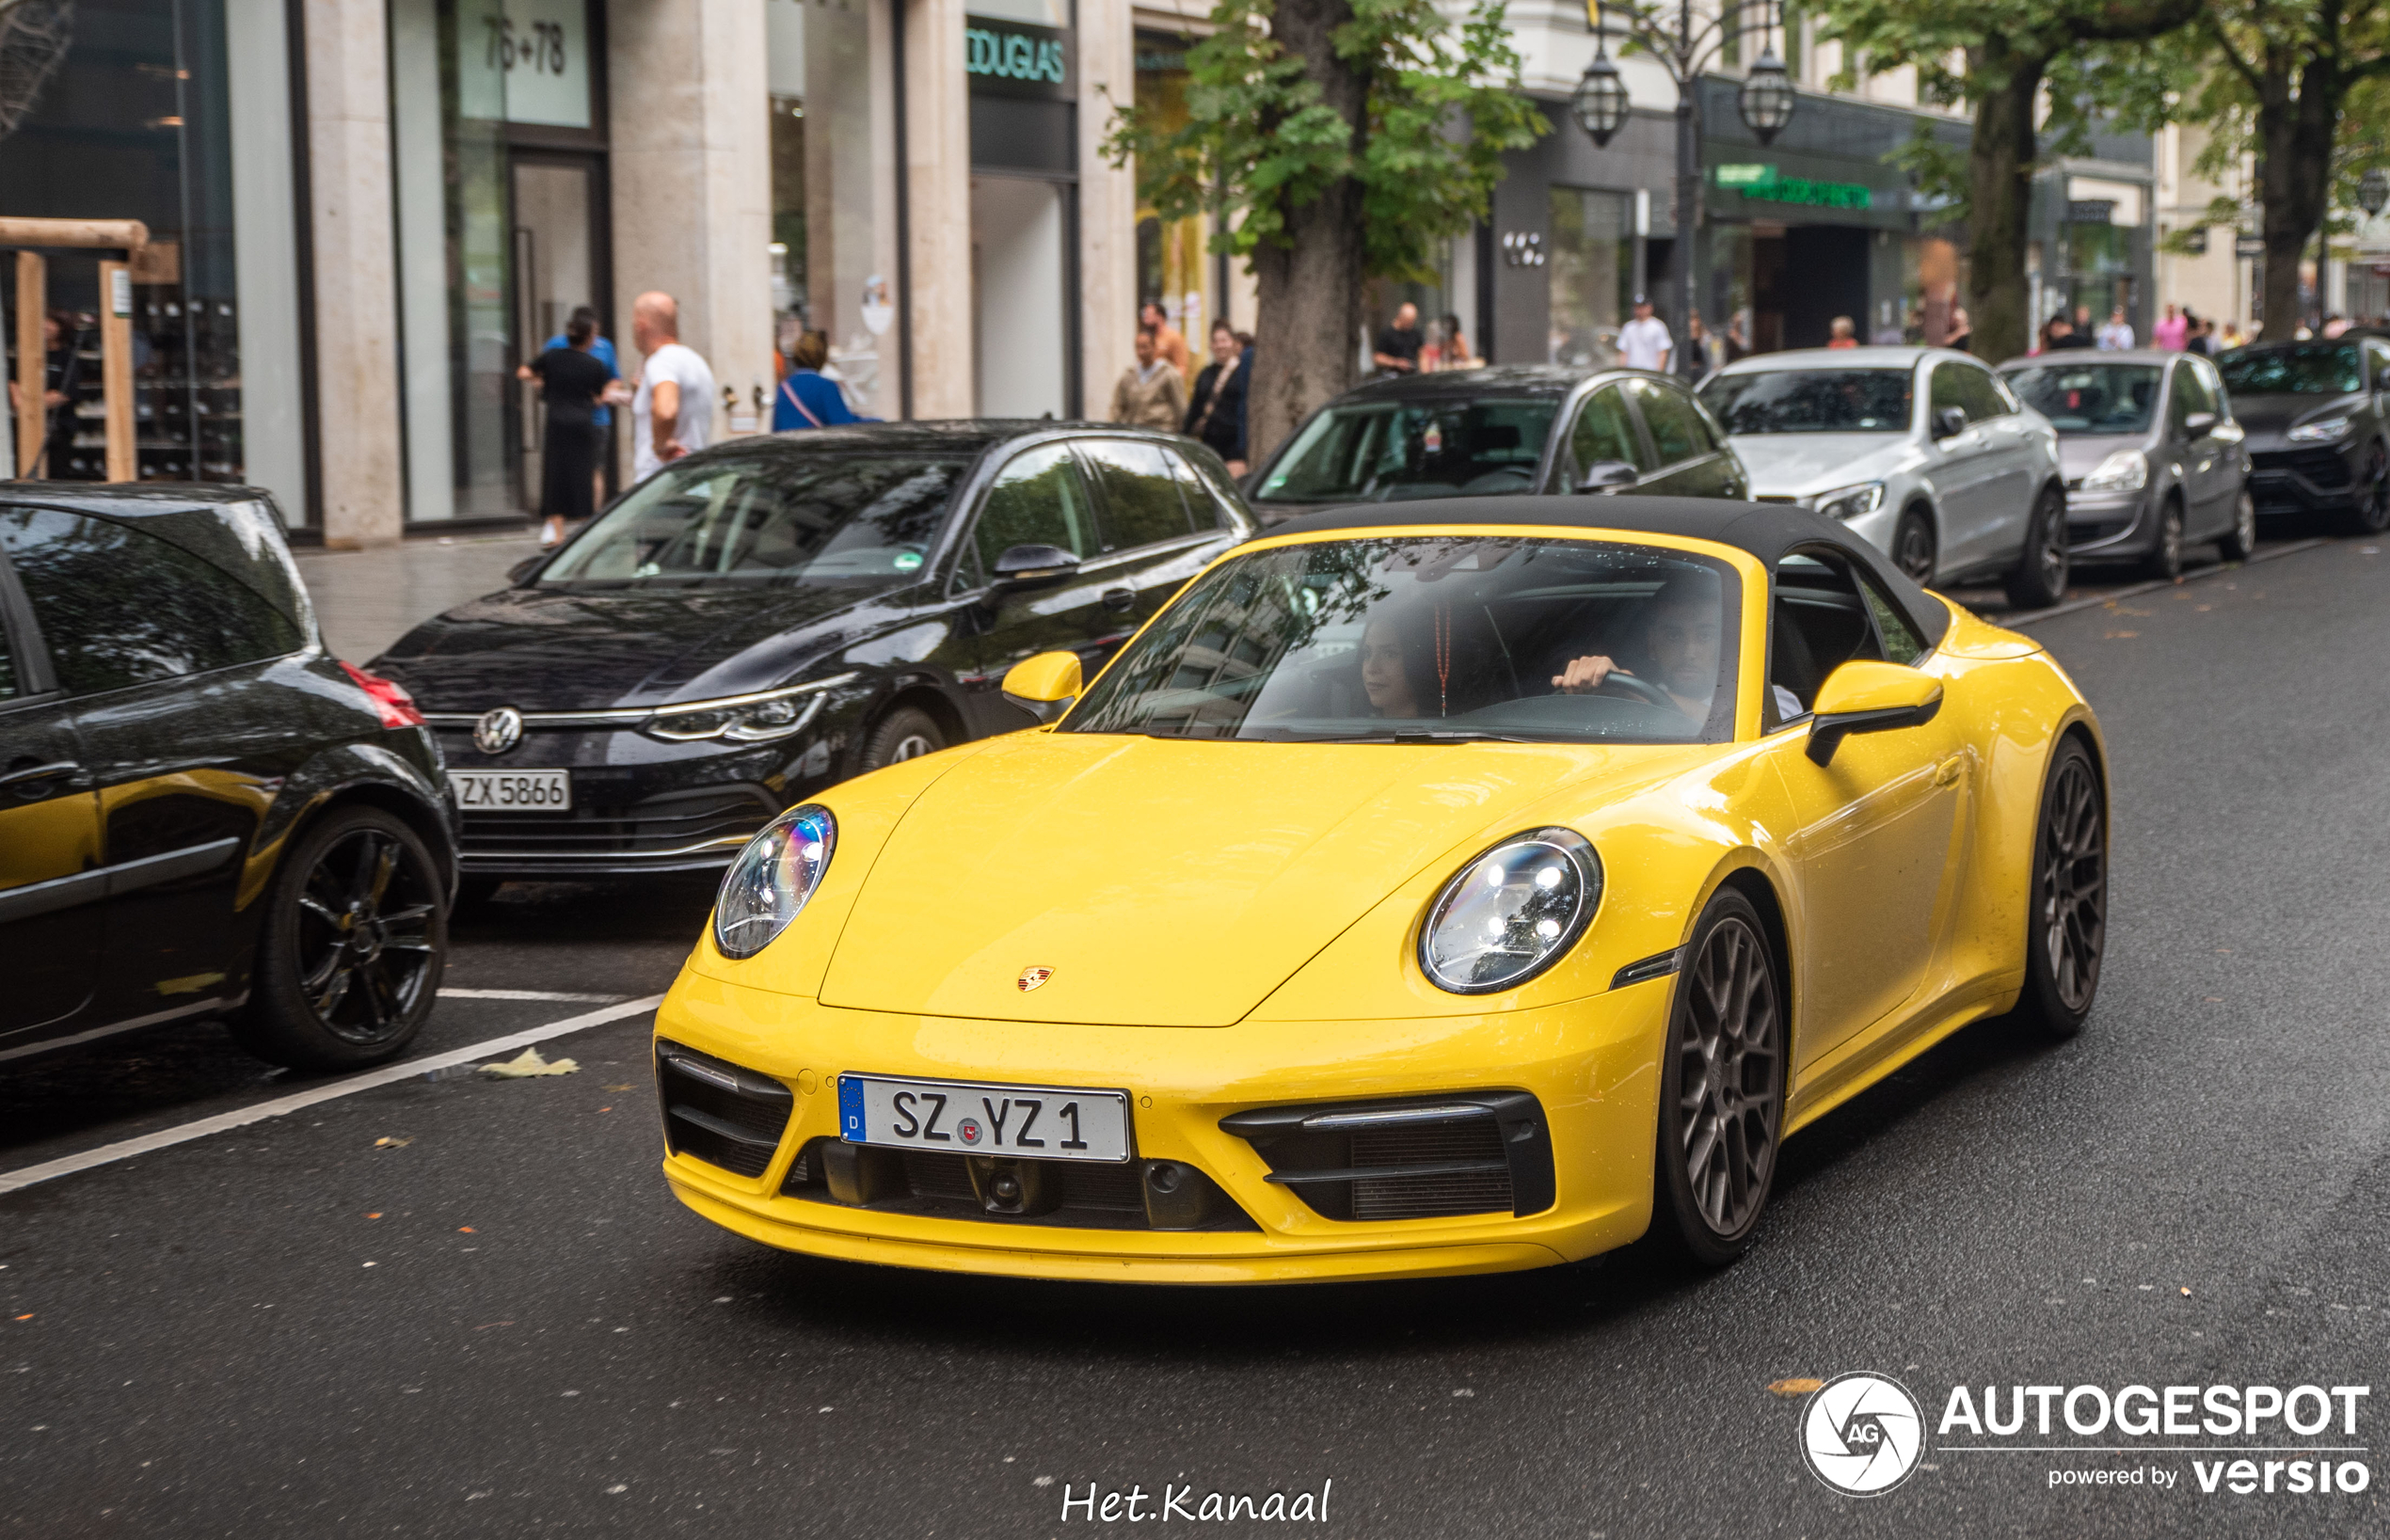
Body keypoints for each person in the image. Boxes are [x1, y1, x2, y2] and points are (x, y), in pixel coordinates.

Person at [519, 312, 613, 548]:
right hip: (582, 423)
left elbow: (524, 372)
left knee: (554, 475)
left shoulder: (552, 357)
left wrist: (543, 385)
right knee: (584, 473)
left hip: (556, 423)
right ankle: (585, 530)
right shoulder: (594, 364)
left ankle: (558, 533)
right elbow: (599, 396)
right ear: (589, 338)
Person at [629, 291, 715, 483]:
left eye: (634, 325)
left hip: (661, 485)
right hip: (694, 480)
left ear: (641, 326)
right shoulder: (695, 361)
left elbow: (666, 411)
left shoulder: (661, 361)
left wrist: (660, 446)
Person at [537, 306, 618, 511]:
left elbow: (615, 379)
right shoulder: (556, 347)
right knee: (560, 471)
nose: (594, 338)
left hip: (597, 420)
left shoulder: (605, 347)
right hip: (563, 419)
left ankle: (591, 520)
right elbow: (538, 374)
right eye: (592, 332)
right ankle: (558, 525)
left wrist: (603, 394)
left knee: (594, 470)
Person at [1184, 319, 1250, 474]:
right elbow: (1195, 409)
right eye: (1215, 341)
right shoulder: (1206, 374)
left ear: (1233, 343)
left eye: (1224, 340)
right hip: (1209, 446)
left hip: (1234, 447)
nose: (1220, 345)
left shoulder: (1242, 372)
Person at [773, 329, 863, 430]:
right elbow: (844, 424)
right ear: (822, 356)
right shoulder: (826, 387)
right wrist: (876, 421)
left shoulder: (784, 388)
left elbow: (777, 429)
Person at [1110, 325, 1187, 430]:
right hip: (1134, 432)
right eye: (1137, 347)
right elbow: (1117, 406)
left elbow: (1180, 407)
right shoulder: (1129, 375)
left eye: (1145, 347)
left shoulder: (1169, 374)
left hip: (1160, 432)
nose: (1141, 352)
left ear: (1154, 346)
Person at [1617, 295, 1672, 372]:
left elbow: (1662, 352)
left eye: (1642, 307)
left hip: (1650, 372)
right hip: (1632, 372)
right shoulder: (1628, 327)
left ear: (1650, 308)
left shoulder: (1658, 326)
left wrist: (1658, 372)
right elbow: (1623, 352)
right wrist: (1622, 371)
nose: (1639, 310)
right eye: (1637, 307)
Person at [1139, 300, 1190, 380]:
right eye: (1145, 315)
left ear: (1159, 317)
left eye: (1148, 315)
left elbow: (1181, 368)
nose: (1145, 319)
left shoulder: (1174, 337)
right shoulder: (1148, 339)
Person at [1373, 302, 1425, 375]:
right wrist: (1396, 363)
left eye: (1412, 321)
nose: (1410, 324)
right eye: (1408, 321)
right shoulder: (1387, 333)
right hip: (1392, 374)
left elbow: (1422, 354)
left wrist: (1424, 372)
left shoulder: (1416, 333)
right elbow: (1378, 358)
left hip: (1412, 374)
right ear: (1400, 317)